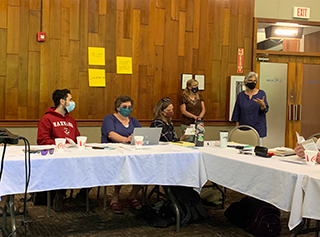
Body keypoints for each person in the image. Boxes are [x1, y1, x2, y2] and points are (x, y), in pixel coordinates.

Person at [37, 89, 94, 211]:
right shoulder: (46, 119)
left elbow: (77, 138)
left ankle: (82, 194)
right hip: (57, 157)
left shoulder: (71, 120)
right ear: (62, 101)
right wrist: (60, 144)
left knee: (92, 164)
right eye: (70, 100)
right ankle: (60, 194)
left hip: (73, 155)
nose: (73, 102)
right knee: (65, 167)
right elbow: (42, 140)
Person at [101, 95, 142, 214]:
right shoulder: (109, 118)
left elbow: (140, 134)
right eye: (124, 106)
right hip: (113, 154)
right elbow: (111, 134)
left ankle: (132, 195)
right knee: (120, 168)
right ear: (118, 107)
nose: (127, 109)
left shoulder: (134, 121)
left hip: (132, 153)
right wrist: (126, 139)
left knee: (144, 167)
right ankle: (115, 197)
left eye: (130, 107)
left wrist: (136, 138)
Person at [231, 72, 269, 139]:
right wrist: (236, 129)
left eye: (254, 81)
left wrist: (263, 105)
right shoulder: (241, 96)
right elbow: (237, 112)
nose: (253, 82)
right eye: (250, 80)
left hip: (258, 129)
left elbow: (264, 110)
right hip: (243, 127)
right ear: (246, 82)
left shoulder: (261, 94)